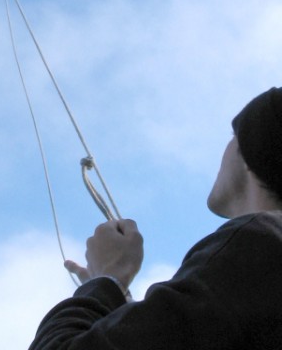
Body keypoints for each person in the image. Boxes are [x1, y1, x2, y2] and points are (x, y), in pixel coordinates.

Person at [28, 86, 282, 350]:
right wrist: (120, 313)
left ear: (254, 148)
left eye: (234, 135)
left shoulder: (259, 244)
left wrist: (105, 281)